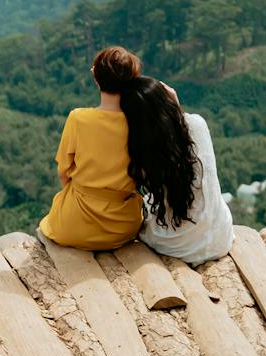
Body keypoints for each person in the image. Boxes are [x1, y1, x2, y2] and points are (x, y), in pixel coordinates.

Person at [37, 45, 144, 250]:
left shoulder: (78, 118)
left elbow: (63, 172)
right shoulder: (139, 122)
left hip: (74, 224)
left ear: (95, 76)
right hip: (122, 227)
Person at [124, 75, 233, 264]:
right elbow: (180, 131)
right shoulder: (197, 124)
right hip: (219, 238)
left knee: (146, 206)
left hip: (175, 246)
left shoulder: (141, 147)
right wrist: (174, 103)